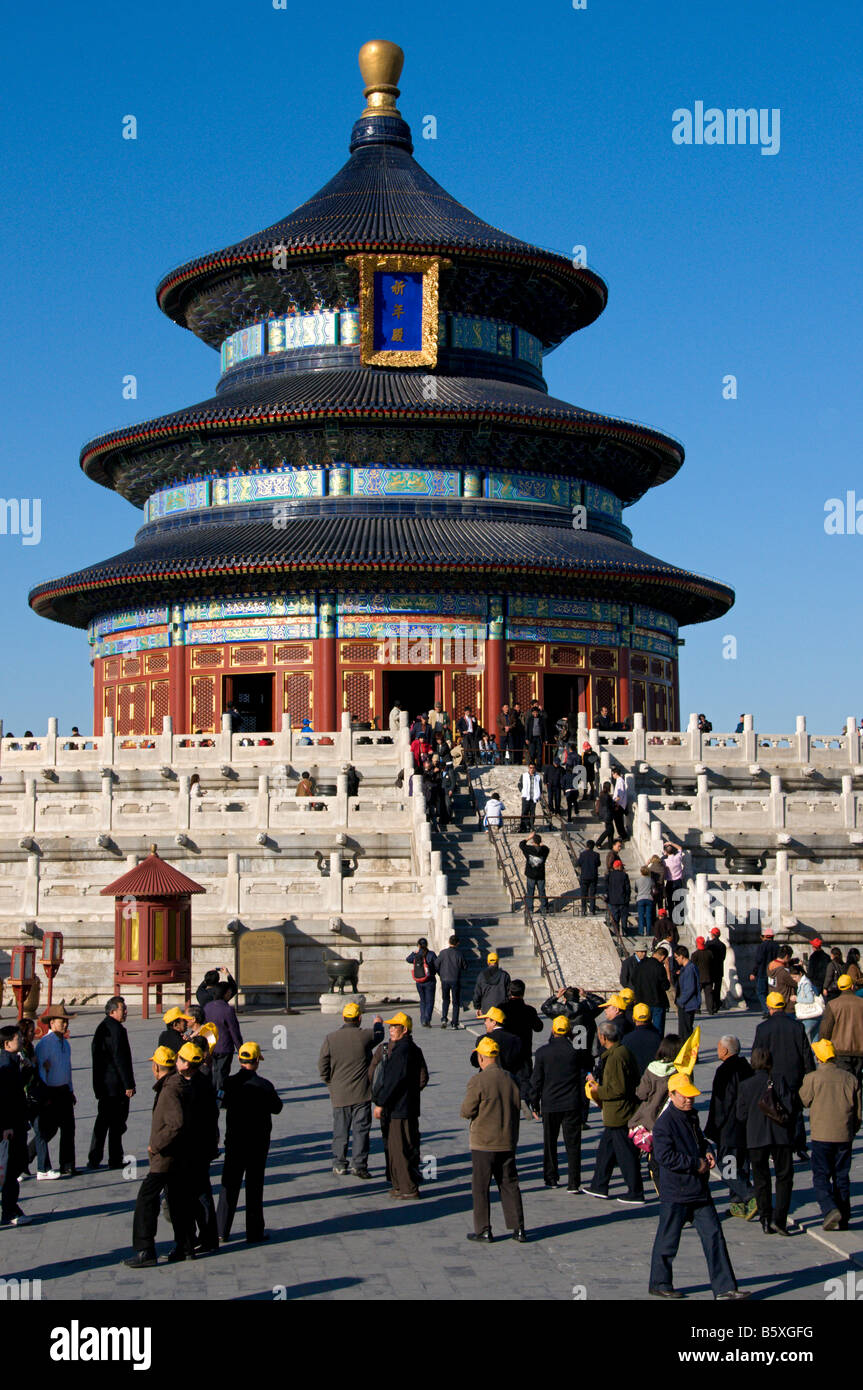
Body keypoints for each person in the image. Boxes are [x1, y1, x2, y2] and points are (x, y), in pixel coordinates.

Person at [649, 1074, 747, 1300]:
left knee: (714, 1236)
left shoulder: (691, 1116)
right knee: (668, 1239)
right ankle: (659, 1282)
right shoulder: (665, 1123)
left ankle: (724, 1288)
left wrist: (707, 1150)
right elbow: (665, 1156)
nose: (688, 1100)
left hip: (699, 1191)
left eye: (691, 1096)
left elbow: (700, 1141)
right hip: (676, 1191)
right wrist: (696, 1163)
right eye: (683, 1096)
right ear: (672, 1095)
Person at [123, 1046, 193, 1267]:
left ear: (155, 1067)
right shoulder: (178, 1083)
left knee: (146, 1200)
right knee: (176, 1200)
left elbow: (176, 1123)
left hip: (165, 1157)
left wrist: (156, 1145)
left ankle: (145, 1250)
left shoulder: (169, 1089)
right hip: (179, 1154)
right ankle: (186, 1245)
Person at [461, 1036, 527, 1243]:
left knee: (480, 1186)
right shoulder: (511, 1078)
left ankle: (484, 1229)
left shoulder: (478, 1081)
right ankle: (518, 1228)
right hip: (507, 1139)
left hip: (483, 1142)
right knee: (509, 1183)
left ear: (481, 1058)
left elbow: (466, 1110)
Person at [217, 1041, 284, 1244]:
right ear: (256, 1062)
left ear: (240, 1059)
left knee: (229, 1184)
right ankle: (254, 1232)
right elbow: (277, 1107)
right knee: (255, 1187)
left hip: (235, 1141)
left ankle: (221, 1230)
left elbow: (221, 1103)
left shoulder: (228, 1083)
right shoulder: (264, 1085)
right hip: (257, 1143)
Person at [799, 1038, 861, 1231]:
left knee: (821, 1176)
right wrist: (851, 1130)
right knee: (842, 1176)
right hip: (843, 1134)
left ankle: (829, 1208)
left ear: (819, 1058)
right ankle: (844, 1217)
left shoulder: (813, 1078)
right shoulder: (850, 1078)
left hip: (821, 1135)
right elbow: (858, 1113)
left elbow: (804, 1100)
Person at [580, 1019, 644, 1203]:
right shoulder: (620, 1052)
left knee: (625, 1153)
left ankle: (635, 1191)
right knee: (605, 1151)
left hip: (619, 1112)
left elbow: (618, 1089)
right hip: (616, 1113)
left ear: (602, 1037)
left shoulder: (615, 1057)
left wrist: (596, 1090)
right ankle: (599, 1185)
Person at [318, 1001, 384, 1177]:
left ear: (343, 1018)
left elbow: (322, 1065)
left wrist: (330, 1082)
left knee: (340, 1130)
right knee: (361, 1130)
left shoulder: (330, 1038)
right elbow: (379, 1035)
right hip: (362, 1093)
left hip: (339, 1093)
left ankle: (339, 1163)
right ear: (359, 1018)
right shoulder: (365, 1036)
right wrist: (378, 1022)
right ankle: (359, 1165)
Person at [736, 1046, 796, 1235]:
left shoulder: (746, 1085)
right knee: (784, 1177)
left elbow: (741, 1115)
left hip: (756, 1137)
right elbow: (790, 1107)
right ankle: (780, 1219)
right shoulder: (779, 1080)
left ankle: (765, 1217)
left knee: (761, 1179)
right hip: (780, 1136)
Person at [370, 1012, 429, 1199]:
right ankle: (399, 1184)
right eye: (390, 1026)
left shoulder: (400, 1051)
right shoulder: (414, 1048)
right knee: (405, 1146)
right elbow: (423, 1077)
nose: (391, 1030)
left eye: (395, 1027)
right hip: (409, 1105)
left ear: (404, 1029)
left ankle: (408, 1188)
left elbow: (392, 1081)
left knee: (399, 1148)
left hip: (398, 1108)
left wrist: (380, 1103)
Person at [529, 1015, 589, 1190]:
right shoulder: (576, 1053)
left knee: (550, 1142)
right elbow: (581, 1079)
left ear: (553, 1030)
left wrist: (534, 1103)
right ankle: (574, 1182)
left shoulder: (542, 1053)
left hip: (550, 1102)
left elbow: (536, 1080)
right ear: (569, 1032)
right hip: (571, 1102)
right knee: (573, 1143)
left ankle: (551, 1177)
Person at [753, 990, 815, 1158]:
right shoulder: (797, 1026)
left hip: (771, 1076)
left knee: (774, 1110)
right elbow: (806, 1053)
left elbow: (757, 1054)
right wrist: (810, 1074)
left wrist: (757, 1074)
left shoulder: (763, 1028)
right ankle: (800, 1146)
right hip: (794, 1075)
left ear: (769, 1006)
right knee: (796, 1111)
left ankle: (778, 1146)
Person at [703, 1037, 756, 1218]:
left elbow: (721, 1103)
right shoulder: (747, 1068)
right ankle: (737, 1204)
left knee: (727, 1167)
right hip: (747, 1127)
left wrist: (713, 1128)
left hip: (729, 1128)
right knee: (741, 1165)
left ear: (725, 1051)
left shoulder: (724, 1071)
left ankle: (750, 1195)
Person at [176, 1041, 219, 1254]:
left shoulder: (187, 1086)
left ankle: (191, 1240)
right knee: (203, 1192)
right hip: (204, 1146)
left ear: (185, 1064)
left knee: (193, 1194)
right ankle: (208, 1236)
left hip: (190, 1148)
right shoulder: (204, 1082)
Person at [88, 995, 135, 1171]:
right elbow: (120, 1059)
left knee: (103, 1123)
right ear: (113, 1011)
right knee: (116, 1123)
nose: (126, 1012)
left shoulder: (103, 1027)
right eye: (123, 1009)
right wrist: (129, 1084)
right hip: (115, 1086)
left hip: (104, 1084)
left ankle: (95, 1158)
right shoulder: (115, 1030)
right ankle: (114, 1158)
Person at [630, 1034, 680, 1192]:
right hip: (673, 1117)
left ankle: (661, 1187)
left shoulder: (652, 1068)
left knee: (655, 1155)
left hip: (651, 1118)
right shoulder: (680, 1071)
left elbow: (642, 1094)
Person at [34, 1002, 77, 1179]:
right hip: (51, 1091)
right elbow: (41, 1069)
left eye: (66, 1021)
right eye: (62, 1021)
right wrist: (45, 1094)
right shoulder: (45, 1043)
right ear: (51, 1023)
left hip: (64, 1091)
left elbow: (68, 1069)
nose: (65, 1025)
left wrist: (71, 1089)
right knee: (47, 1130)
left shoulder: (65, 1044)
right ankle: (27, 1159)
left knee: (69, 1129)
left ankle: (67, 1165)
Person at [0, 1026, 31, 1226]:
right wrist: (6, 1126)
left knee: (15, 1168)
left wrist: (27, 1069)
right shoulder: (4, 1064)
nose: (21, 1039)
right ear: (6, 1043)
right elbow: (4, 1099)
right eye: (17, 1037)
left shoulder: (13, 1061)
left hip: (17, 1123)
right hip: (10, 1127)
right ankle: (10, 1211)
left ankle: (11, 1208)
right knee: (10, 1170)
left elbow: (18, 1089)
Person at [503, 980, 544, 1115]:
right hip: (524, 1050)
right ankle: (524, 1099)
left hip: (507, 1050)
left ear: (510, 991)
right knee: (526, 1078)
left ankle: (507, 1103)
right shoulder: (529, 1010)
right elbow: (539, 1027)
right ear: (523, 993)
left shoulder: (502, 1008)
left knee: (507, 1077)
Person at [818, 974, 863, 1079]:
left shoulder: (833, 1004)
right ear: (852, 986)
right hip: (860, 1050)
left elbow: (825, 1030)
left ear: (839, 987)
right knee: (857, 1082)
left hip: (839, 1051)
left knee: (844, 1082)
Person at [204, 984, 243, 1096]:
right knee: (222, 1073)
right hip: (224, 1046)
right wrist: (240, 1048)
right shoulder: (228, 1010)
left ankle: (211, 1093)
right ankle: (219, 1096)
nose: (230, 994)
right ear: (225, 993)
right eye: (229, 992)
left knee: (213, 1071)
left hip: (211, 1045)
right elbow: (234, 1031)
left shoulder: (208, 1007)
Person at [470, 1008, 523, 1078]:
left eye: (486, 1020)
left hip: (488, 1078)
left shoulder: (482, 1039)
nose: (485, 1023)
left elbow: (475, 1062)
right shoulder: (515, 1039)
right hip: (509, 1078)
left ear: (494, 1022)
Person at [634, 946, 670, 1036]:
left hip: (641, 1001)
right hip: (656, 1001)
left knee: (643, 1027)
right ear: (662, 957)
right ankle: (657, 1045)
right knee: (658, 1029)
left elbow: (633, 980)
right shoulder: (659, 967)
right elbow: (666, 986)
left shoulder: (640, 964)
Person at [405, 938, 438, 1027]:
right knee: (430, 1001)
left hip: (419, 981)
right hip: (429, 980)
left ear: (418, 945)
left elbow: (408, 959)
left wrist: (414, 952)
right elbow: (437, 965)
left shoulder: (416, 954)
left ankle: (422, 1019)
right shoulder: (431, 954)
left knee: (422, 1000)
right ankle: (427, 1019)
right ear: (427, 944)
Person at [437, 935, 468, 1029]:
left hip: (445, 979)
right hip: (455, 979)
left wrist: (441, 974)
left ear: (449, 942)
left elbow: (436, 965)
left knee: (445, 999)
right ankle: (454, 1022)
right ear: (457, 943)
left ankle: (444, 1018)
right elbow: (465, 966)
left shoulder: (443, 953)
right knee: (455, 1001)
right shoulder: (459, 954)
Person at [622, 1004, 662, 1077]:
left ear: (633, 1018)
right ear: (650, 1018)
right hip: (652, 1080)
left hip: (633, 1081)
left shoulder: (626, 1039)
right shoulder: (658, 1038)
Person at [790, 964, 823, 1044]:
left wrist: (796, 998)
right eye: (792, 977)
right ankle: (815, 1055)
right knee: (815, 1038)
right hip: (815, 1015)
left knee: (802, 1036)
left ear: (800, 974)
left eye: (795, 977)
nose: (794, 979)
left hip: (810, 1015)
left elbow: (810, 999)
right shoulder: (805, 982)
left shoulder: (805, 984)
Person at [519, 832, 550, 914]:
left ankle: (530, 909)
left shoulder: (529, 849)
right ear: (540, 842)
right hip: (540, 875)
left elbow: (521, 845)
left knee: (530, 892)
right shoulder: (544, 850)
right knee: (542, 891)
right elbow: (547, 848)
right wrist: (541, 844)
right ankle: (544, 908)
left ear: (533, 842)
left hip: (531, 874)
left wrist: (528, 838)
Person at [673, 947, 699, 1042]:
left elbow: (690, 989)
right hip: (685, 1004)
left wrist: (680, 1001)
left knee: (685, 1032)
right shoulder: (685, 968)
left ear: (682, 956)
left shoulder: (689, 968)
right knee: (683, 1032)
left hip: (687, 1005)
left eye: (676, 957)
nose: (676, 959)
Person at [749, 926, 775, 1013]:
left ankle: (767, 1010)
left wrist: (753, 973)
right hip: (773, 973)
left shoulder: (762, 946)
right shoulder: (777, 946)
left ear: (764, 936)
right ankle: (772, 1009)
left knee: (761, 992)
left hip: (762, 973)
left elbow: (758, 961)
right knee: (771, 992)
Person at [662, 840, 686, 922]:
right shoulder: (678, 857)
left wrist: (664, 855)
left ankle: (672, 919)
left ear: (666, 852)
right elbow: (680, 848)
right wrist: (671, 843)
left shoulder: (665, 861)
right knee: (679, 901)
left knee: (670, 901)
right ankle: (680, 919)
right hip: (678, 881)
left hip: (670, 882)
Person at [606, 859, 631, 936]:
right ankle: (624, 932)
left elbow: (607, 888)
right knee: (624, 917)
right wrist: (627, 898)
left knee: (615, 918)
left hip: (613, 900)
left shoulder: (609, 875)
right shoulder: (624, 875)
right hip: (623, 900)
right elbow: (627, 888)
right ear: (619, 866)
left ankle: (616, 932)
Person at [691, 937, 715, 1016]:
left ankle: (697, 1009)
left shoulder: (695, 954)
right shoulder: (709, 953)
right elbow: (712, 964)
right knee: (709, 994)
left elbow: (693, 966)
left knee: (697, 994)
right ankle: (710, 1010)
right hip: (708, 976)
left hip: (699, 977)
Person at [705, 928, 727, 1013]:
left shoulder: (709, 944)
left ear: (712, 935)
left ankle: (711, 1006)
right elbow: (723, 958)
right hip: (719, 969)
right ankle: (717, 1005)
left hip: (710, 969)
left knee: (709, 989)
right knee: (717, 989)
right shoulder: (723, 945)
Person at [577, 840, 600, 916]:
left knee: (583, 894)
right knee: (592, 894)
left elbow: (578, 863)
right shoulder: (596, 854)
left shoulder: (582, 854)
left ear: (586, 846)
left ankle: (583, 910)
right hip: (593, 876)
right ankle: (592, 910)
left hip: (584, 876)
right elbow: (598, 864)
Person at [518, 763, 542, 833]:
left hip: (533, 798)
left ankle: (531, 826)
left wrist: (538, 794)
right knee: (524, 812)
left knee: (532, 813)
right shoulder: (524, 775)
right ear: (529, 768)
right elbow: (519, 784)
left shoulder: (538, 776)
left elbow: (540, 786)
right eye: (530, 768)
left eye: (533, 768)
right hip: (526, 797)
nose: (532, 769)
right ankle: (523, 827)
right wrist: (523, 791)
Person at [634, 865, 655, 939]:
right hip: (649, 898)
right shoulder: (651, 880)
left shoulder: (637, 880)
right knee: (648, 916)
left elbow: (636, 890)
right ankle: (648, 931)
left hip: (640, 898)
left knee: (641, 916)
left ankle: (641, 931)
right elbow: (653, 889)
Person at [594, 781, 615, 849]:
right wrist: (615, 802)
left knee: (611, 830)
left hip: (604, 815)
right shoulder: (607, 796)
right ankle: (598, 842)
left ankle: (610, 845)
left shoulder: (602, 794)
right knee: (609, 830)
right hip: (607, 815)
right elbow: (609, 805)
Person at [610, 768, 629, 841]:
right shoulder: (619, 781)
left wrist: (616, 804)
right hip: (619, 804)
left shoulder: (620, 781)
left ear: (615, 773)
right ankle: (621, 834)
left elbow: (620, 795)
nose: (612, 775)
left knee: (619, 821)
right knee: (618, 821)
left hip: (619, 805)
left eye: (613, 774)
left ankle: (623, 835)